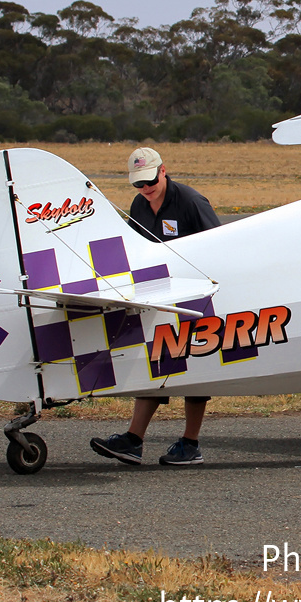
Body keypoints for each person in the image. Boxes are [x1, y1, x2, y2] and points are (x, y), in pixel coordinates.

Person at [90, 147, 221, 467]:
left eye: (150, 180)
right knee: (155, 360)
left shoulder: (191, 202)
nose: (145, 189)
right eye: (138, 184)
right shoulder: (140, 204)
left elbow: (220, 244)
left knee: (195, 370)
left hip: (197, 298)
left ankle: (191, 444)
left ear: (163, 171)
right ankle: (134, 440)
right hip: (160, 295)